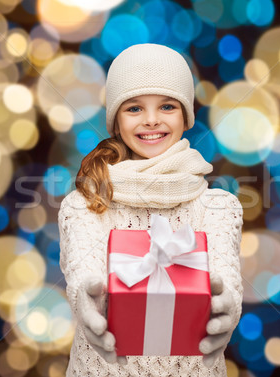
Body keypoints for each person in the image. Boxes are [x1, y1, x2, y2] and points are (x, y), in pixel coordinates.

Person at [58, 43, 244, 376]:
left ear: (186, 116)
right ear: (116, 120)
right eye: (134, 109)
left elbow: (224, 277)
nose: (152, 120)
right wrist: (87, 300)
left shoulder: (218, 207)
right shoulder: (84, 204)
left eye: (168, 106)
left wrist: (227, 307)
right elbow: (82, 271)